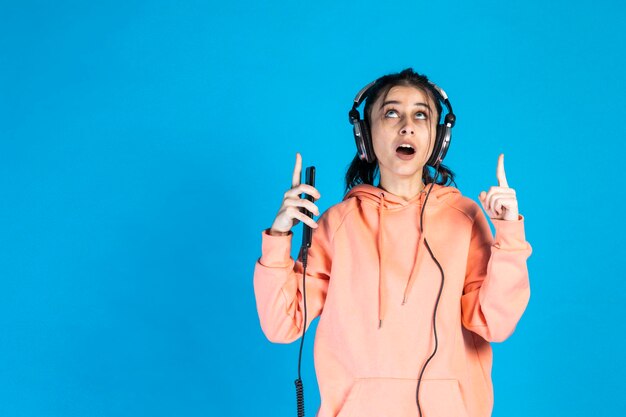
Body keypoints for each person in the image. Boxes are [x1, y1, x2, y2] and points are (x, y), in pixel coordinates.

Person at [253, 68, 532, 417]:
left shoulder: (465, 218)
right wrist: (279, 237)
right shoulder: (337, 225)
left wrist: (508, 234)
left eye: (421, 114)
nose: (407, 125)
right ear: (365, 135)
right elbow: (283, 324)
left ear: (438, 137)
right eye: (391, 112)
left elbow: (496, 323)